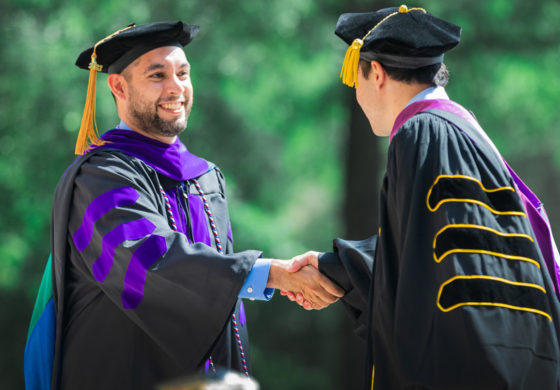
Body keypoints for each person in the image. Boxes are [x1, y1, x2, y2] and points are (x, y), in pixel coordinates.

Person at [24, 21, 343, 390]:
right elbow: (149, 261)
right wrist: (270, 273)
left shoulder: (205, 177)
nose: (176, 87)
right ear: (118, 86)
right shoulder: (99, 178)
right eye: (157, 75)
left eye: (183, 73)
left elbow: (220, 291)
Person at [285, 5, 560, 389]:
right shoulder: (464, 130)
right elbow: (444, 255)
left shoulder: (421, 134)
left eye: (354, 82)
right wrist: (337, 269)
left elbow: (440, 272)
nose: (357, 97)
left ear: (375, 73)